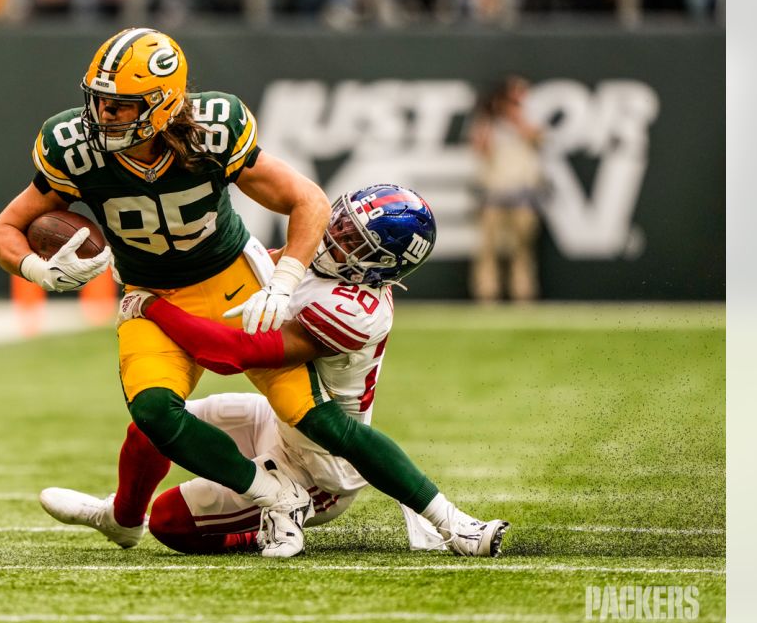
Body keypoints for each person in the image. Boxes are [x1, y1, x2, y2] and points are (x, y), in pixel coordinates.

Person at [0, 27, 333, 557]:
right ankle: (270, 494)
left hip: (233, 282)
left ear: (164, 105)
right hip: (151, 296)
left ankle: (437, 512)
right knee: (152, 411)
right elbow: (1, 232)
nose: (103, 116)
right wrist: (38, 270)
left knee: (312, 415)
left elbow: (308, 200)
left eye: (121, 107)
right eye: (99, 102)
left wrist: (284, 284)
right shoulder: (74, 150)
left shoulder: (212, 131)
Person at [40, 184, 509, 556]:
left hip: (320, 465)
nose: (332, 237)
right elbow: (255, 270)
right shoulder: (322, 263)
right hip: (281, 418)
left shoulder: (353, 308)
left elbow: (234, 355)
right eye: (340, 223)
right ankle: (119, 520)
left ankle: (276, 521)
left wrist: (149, 306)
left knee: (169, 522)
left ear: (377, 266)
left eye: (349, 240)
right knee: (151, 426)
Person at [470, 75, 546, 302]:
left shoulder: (529, 117)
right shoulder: (488, 123)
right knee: (488, 250)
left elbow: (537, 137)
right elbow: (480, 149)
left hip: (522, 192)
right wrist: (491, 117)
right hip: (494, 193)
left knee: (522, 250)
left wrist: (515, 118)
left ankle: (523, 295)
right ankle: (487, 295)